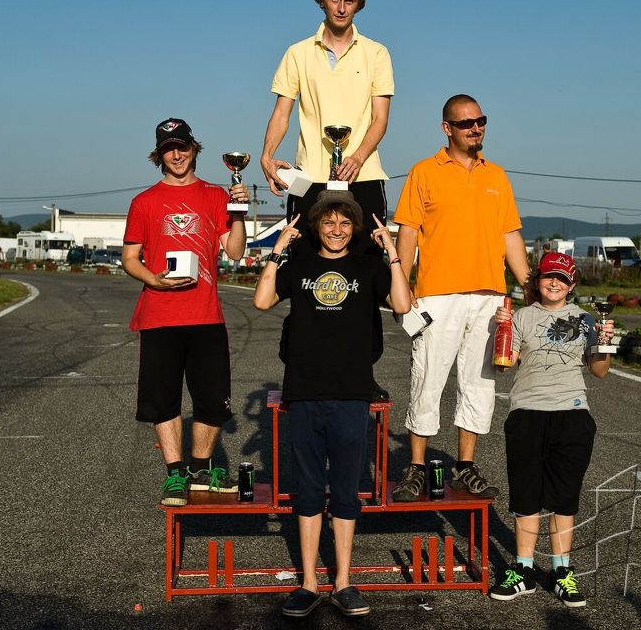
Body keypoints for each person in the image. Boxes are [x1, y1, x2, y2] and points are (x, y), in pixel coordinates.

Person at [253, 192, 411, 618]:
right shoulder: (300, 264)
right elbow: (262, 300)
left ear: (353, 228)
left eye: (344, 223)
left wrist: (392, 253)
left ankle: (343, 582)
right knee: (307, 490)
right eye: (328, 223)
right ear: (317, 227)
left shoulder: (367, 266)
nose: (336, 230)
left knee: (344, 489)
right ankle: (308, 583)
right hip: (304, 390)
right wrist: (277, 250)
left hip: (351, 392)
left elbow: (402, 304)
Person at [260, 0, 395, 396]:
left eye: (349, 0)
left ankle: (364, 372)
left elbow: (380, 119)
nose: (341, 7)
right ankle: (299, 369)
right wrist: (266, 154)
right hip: (310, 178)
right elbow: (282, 112)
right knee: (304, 268)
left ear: (359, 5)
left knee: (366, 271)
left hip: (363, 175)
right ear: (322, 0)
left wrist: (356, 156)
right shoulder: (298, 52)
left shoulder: (377, 53)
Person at [391, 94, 531, 502]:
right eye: (466, 123)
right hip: (438, 294)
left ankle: (464, 466)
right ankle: (417, 467)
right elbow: (408, 231)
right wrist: (403, 281)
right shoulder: (423, 172)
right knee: (427, 380)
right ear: (447, 128)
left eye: (480, 121)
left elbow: (510, 234)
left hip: (489, 296)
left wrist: (527, 283)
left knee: (479, 384)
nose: (476, 128)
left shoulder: (497, 176)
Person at [121, 117, 249, 507]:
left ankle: (201, 469)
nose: (176, 155)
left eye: (182, 147)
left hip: (205, 314)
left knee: (211, 399)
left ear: (194, 149)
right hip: (159, 314)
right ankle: (175, 474)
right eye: (168, 149)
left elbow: (235, 251)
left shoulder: (215, 195)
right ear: (158, 155)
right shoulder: (143, 202)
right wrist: (154, 280)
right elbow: (130, 258)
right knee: (163, 400)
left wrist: (239, 213)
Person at [488, 252, 613, 608]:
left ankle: (561, 572)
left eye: (562, 279)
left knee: (564, 497)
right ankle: (523, 571)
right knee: (526, 496)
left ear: (572, 285)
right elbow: (504, 366)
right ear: (538, 280)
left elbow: (600, 371)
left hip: (572, 414)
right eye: (548, 277)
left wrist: (605, 341)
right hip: (527, 413)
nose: (554, 283)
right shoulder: (521, 317)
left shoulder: (586, 319)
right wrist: (501, 330)